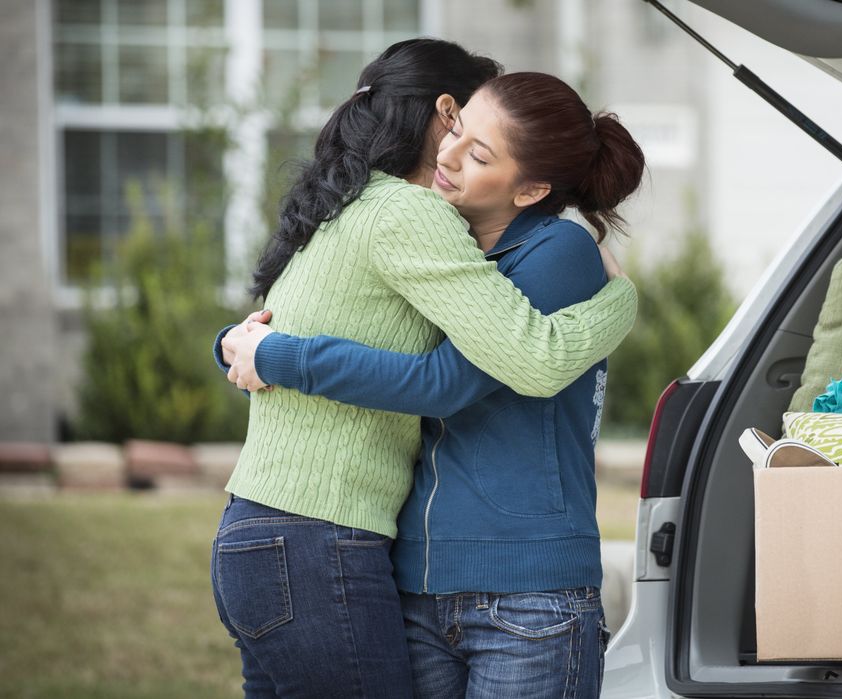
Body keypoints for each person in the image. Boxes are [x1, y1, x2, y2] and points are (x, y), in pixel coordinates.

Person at [208, 43, 638, 699]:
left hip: (493, 582)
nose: (450, 156)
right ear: (444, 113)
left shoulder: (540, 244)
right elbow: (336, 317)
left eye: (481, 152)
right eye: (459, 131)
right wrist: (621, 302)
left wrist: (256, 350)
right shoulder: (419, 220)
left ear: (530, 188)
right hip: (348, 549)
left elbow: (451, 376)